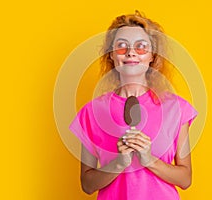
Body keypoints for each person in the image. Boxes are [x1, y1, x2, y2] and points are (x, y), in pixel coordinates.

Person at [69, 11, 198, 200]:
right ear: (111, 55)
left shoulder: (175, 109)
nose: (131, 52)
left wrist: (149, 160)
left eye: (141, 47)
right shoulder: (92, 112)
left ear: (152, 56)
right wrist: (119, 163)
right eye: (121, 46)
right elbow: (87, 185)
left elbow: (185, 179)